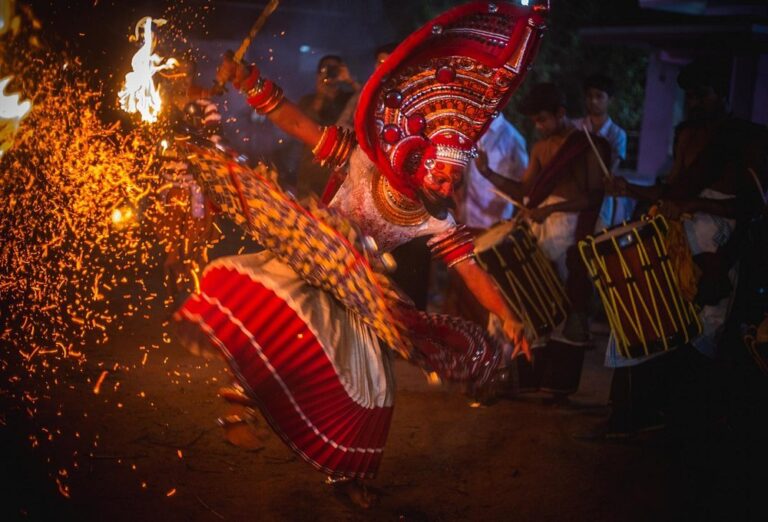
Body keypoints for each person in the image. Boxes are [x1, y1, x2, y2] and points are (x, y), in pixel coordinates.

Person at [176, 2, 546, 508]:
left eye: (454, 179)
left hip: (360, 294)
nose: (447, 182)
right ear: (421, 163)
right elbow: (295, 122)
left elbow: (471, 271)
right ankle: (239, 408)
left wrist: (508, 316)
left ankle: (347, 475)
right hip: (312, 262)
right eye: (442, 173)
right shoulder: (362, 160)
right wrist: (245, 78)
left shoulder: (435, 217)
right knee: (269, 317)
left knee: (375, 390)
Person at [600, 58, 768, 437]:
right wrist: (629, 188)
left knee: (700, 330)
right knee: (648, 313)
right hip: (676, 235)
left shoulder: (745, 138)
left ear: (722, 95)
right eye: (689, 96)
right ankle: (638, 413)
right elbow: (672, 190)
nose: (694, 102)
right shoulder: (686, 134)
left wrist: (697, 207)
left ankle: (689, 423)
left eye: (702, 94)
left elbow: (753, 207)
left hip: (716, 243)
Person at [476, 82, 608, 399]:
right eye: (534, 120)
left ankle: (557, 382)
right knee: (528, 295)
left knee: (561, 299)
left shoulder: (587, 145)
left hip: (570, 229)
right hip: (540, 227)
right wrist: (488, 173)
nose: (538, 126)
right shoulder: (540, 148)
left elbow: (592, 198)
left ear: (561, 113)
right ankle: (527, 375)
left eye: (543, 119)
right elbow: (525, 193)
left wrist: (553, 209)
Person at [154, 59, 220, 301]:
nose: (182, 79)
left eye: (187, 74)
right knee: (171, 251)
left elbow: (214, 141)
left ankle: (199, 300)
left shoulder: (204, 104)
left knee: (196, 248)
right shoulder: (161, 103)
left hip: (196, 187)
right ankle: (172, 300)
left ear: (193, 76)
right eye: (176, 73)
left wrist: (192, 142)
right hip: (169, 187)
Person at [295, 55, 360, 199]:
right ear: (318, 73)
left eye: (334, 69)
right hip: (311, 168)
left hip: (339, 172)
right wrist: (320, 95)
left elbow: (366, 102)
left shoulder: (349, 99)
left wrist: (350, 80)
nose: (331, 73)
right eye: (326, 69)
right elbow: (303, 124)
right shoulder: (308, 100)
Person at [573, 73, 630, 229]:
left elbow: (612, 168)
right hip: (576, 195)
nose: (593, 101)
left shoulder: (618, 134)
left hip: (602, 198)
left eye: (599, 96)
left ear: (610, 100)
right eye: (589, 96)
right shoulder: (576, 127)